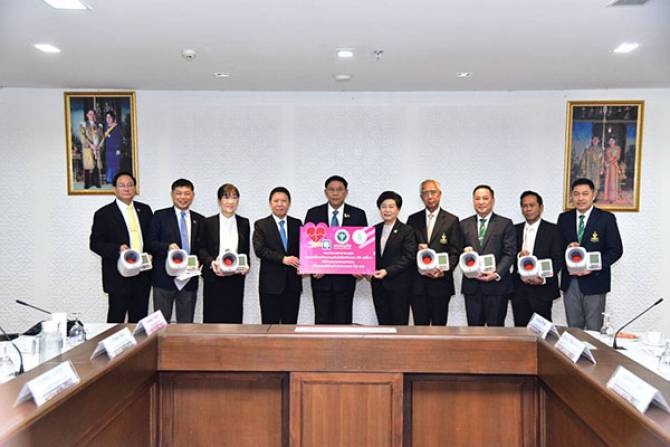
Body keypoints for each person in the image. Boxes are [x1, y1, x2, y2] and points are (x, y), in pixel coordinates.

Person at [558, 178, 623, 330]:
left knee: (594, 329)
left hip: (595, 281)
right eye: (576, 194)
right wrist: (567, 248)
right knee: (573, 329)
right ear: (572, 196)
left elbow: (615, 250)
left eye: (585, 194)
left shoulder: (606, 218)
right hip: (571, 281)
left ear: (593, 195)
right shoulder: (564, 218)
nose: (580, 198)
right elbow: (557, 248)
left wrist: (592, 266)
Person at [90, 172, 153, 323]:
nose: (127, 189)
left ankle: (138, 340)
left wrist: (151, 253)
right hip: (118, 275)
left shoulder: (145, 210)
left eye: (130, 185)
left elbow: (151, 238)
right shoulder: (104, 214)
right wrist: (117, 249)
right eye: (122, 185)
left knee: (139, 320)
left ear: (135, 188)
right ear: (114, 189)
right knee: (116, 320)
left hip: (142, 273)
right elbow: (95, 244)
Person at [304, 175, 368, 324]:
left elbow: (362, 245)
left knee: (343, 321)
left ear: (346, 192)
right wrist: (313, 266)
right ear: (325, 192)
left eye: (339, 189)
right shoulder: (313, 213)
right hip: (321, 279)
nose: (335, 193)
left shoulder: (358, 214)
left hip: (346, 279)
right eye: (331, 189)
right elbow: (308, 245)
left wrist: (360, 267)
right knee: (321, 320)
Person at [406, 179, 462, 325]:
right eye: (425, 193)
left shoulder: (451, 220)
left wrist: (444, 270)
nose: (430, 196)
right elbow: (407, 249)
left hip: (441, 283)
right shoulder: (413, 219)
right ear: (421, 197)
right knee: (420, 327)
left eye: (433, 192)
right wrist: (416, 249)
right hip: (418, 284)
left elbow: (455, 251)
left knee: (439, 327)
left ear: (439, 194)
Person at [148, 179, 203, 323]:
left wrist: (200, 262)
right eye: (179, 193)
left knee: (186, 324)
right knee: (160, 324)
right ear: (172, 195)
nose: (183, 197)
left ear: (193, 195)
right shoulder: (160, 216)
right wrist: (167, 247)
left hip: (189, 279)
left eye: (187, 193)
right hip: (164, 278)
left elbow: (202, 248)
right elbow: (150, 243)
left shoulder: (200, 219)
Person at [459, 185, 516, 326]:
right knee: (474, 331)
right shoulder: (463, 224)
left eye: (485, 198)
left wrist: (496, 273)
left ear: (493, 200)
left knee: (496, 331)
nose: (481, 202)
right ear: (473, 201)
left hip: (497, 287)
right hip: (472, 287)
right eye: (477, 198)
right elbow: (457, 249)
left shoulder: (505, 223)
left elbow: (510, 253)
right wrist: (464, 251)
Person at [198, 183, 250, 323]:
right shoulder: (208, 222)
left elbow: (245, 251)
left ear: (238, 200)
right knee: (212, 318)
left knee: (234, 318)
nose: (230, 201)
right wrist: (211, 263)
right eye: (226, 197)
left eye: (234, 197)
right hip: (214, 276)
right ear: (219, 200)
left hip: (235, 278)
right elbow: (201, 248)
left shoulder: (244, 223)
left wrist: (246, 265)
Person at [510, 191, 562, 326]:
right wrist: (519, 256)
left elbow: (558, 259)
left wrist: (543, 279)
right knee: (520, 331)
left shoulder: (554, 230)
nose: (528, 209)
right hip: (519, 289)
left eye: (532, 205)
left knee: (542, 332)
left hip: (543, 289)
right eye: (524, 206)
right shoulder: (514, 229)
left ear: (541, 207)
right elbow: (508, 255)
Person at [253, 187, 303, 324]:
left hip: (292, 285)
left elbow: (304, 249)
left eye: (284, 201)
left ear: (289, 203)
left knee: (290, 325)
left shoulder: (297, 224)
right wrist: (283, 259)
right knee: (269, 326)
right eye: (276, 201)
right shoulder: (261, 225)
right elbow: (260, 250)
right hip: (270, 285)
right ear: (270, 203)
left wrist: (308, 264)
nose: (280, 204)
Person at [368, 191, 416, 325]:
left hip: (399, 286)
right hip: (378, 285)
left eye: (391, 206)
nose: (387, 210)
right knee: (382, 323)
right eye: (383, 206)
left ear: (398, 209)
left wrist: (387, 271)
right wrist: (366, 269)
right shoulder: (373, 230)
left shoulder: (407, 230)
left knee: (399, 324)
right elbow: (367, 255)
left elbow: (408, 257)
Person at [78, 109, 103, 189]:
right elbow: (82, 136)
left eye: (93, 114)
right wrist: (90, 145)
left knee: (96, 166)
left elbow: (102, 137)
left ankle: (96, 183)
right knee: (88, 166)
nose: (92, 115)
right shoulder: (83, 125)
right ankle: (88, 184)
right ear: (87, 115)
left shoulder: (99, 125)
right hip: (88, 148)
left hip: (97, 148)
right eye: (90, 114)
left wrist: (99, 146)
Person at [103, 110, 122, 184]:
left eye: (109, 117)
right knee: (109, 164)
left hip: (115, 149)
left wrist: (118, 149)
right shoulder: (105, 127)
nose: (108, 119)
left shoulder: (116, 127)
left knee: (115, 164)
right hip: (108, 149)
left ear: (113, 118)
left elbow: (119, 139)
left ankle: (114, 179)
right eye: (107, 117)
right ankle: (109, 179)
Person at [602, 136, 622, 202]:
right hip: (608, 167)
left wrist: (610, 162)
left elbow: (617, 157)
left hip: (614, 166)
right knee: (608, 180)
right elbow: (605, 158)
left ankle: (613, 197)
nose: (611, 142)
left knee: (613, 181)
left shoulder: (618, 148)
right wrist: (605, 163)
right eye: (610, 141)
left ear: (614, 141)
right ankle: (607, 197)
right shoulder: (607, 149)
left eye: (612, 140)